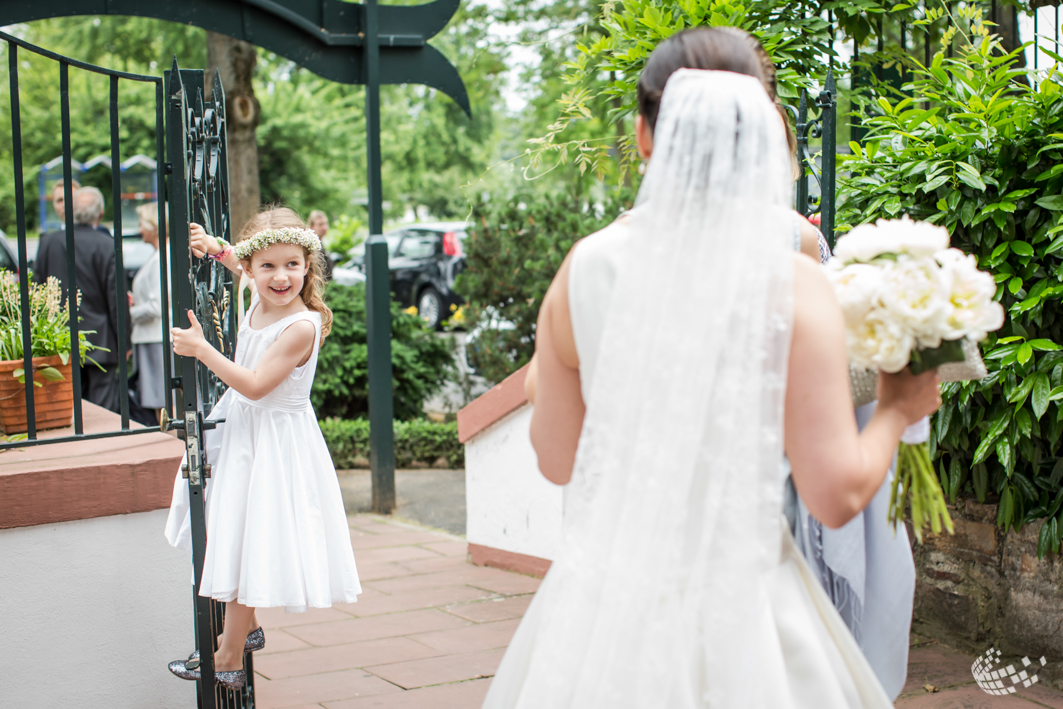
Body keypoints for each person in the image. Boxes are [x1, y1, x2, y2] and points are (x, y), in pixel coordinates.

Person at [485, 28, 941, 708]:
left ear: (643, 134)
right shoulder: (790, 279)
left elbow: (555, 459)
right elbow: (836, 493)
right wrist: (901, 408)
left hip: (600, 613)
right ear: (764, 132)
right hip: (744, 610)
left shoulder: (584, 267)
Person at [164, 207, 360, 690]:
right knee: (236, 528)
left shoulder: (301, 326)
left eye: (293, 265)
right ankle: (245, 630)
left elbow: (255, 386)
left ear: (308, 265)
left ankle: (228, 655)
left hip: (275, 441)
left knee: (246, 535)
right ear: (252, 268)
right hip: (245, 433)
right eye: (268, 266)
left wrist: (202, 349)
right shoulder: (255, 285)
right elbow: (238, 263)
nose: (281, 276)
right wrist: (215, 247)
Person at [34, 186, 130, 413]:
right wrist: (124, 340)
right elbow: (116, 297)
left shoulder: (49, 242)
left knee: (66, 408)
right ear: (100, 213)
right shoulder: (106, 244)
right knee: (104, 412)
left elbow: (37, 293)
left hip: (59, 339)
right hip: (101, 340)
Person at [128, 203, 168, 421]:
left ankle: (172, 447)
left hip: (156, 339)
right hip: (153, 338)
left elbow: (156, 306)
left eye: (142, 223)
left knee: (162, 404)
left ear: (154, 225)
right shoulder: (159, 255)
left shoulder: (162, 257)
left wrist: (129, 312)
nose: (139, 228)